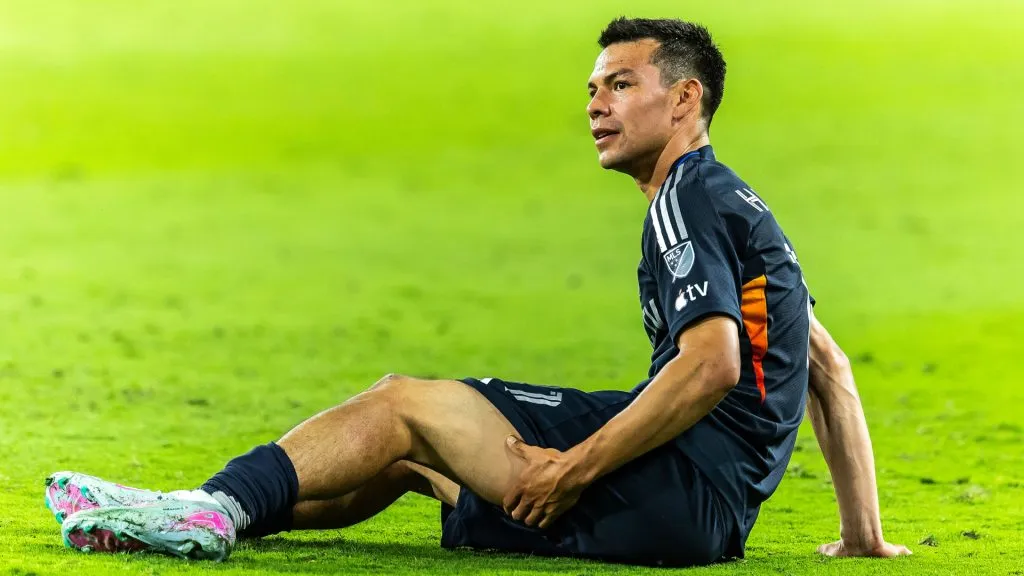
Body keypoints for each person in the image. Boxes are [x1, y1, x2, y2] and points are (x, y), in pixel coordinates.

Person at [45, 17, 910, 566]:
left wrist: (575, 467)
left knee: (401, 405)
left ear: (686, 98)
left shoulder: (689, 195)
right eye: (591, 89)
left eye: (620, 85)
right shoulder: (737, 205)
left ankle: (211, 506)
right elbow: (826, 367)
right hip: (702, 511)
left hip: (675, 484)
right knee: (414, 457)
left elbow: (713, 365)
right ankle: (202, 523)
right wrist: (863, 536)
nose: (596, 106)